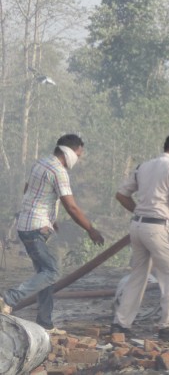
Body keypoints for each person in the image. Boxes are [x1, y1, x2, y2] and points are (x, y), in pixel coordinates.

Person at [0, 135, 104, 331]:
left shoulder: (41, 163)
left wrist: (50, 217)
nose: (78, 159)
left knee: (44, 274)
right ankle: (8, 298)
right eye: (78, 154)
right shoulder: (59, 171)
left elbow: (29, 190)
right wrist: (91, 229)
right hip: (38, 229)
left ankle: (45, 323)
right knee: (52, 272)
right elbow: (71, 207)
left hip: (27, 225)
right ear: (69, 151)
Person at [111, 135, 169, 341]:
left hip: (138, 226)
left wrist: (141, 212)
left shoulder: (144, 166)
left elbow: (121, 195)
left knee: (138, 276)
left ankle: (120, 324)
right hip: (159, 228)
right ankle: (168, 326)